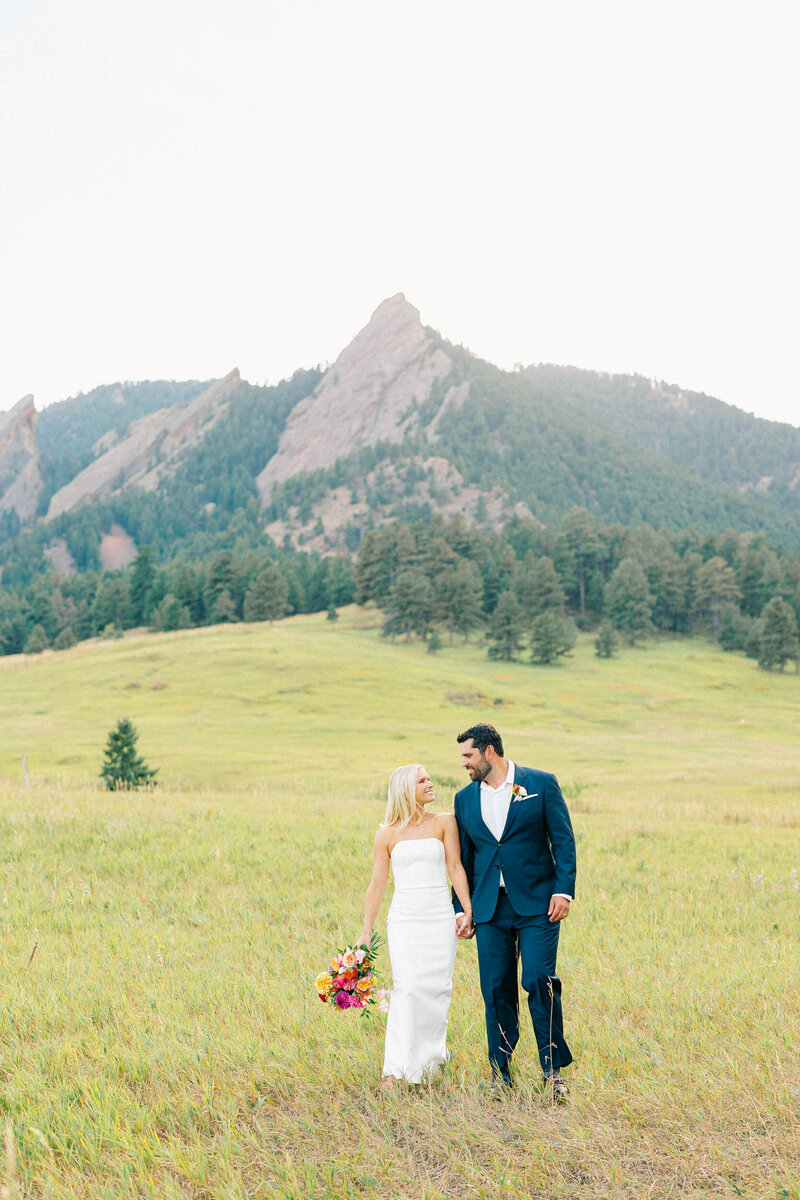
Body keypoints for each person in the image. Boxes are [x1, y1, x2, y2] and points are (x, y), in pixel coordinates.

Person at [453, 723, 576, 1100]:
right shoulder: (463, 799)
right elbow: (464, 858)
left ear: (490, 752)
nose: (464, 764)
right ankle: (500, 1074)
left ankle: (552, 1071)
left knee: (540, 981)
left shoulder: (540, 783)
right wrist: (463, 908)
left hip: (539, 904)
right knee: (495, 990)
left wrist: (563, 891)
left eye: (468, 755)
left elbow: (564, 839)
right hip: (490, 908)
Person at [359, 763, 473, 1085]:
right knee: (407, 989)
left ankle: (430, 1064)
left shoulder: (445, 823)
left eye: (429, 778)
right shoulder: (387, 835)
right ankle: (396, 1070)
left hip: (439, 917)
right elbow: (377, 885)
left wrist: (467, 910)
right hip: (406, 919)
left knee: (437, 991)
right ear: (406, 789)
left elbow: (455, 867)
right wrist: (366, 932)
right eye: (422, 780)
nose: (430, 783)